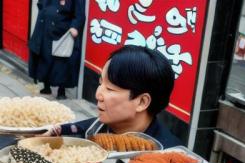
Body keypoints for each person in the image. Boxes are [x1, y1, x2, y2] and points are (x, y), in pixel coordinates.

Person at [51, 45, 181, 148]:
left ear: (142, 102)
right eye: (100, 82)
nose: (98, 95)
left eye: (110, 89)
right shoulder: (91, 130)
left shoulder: (167, 157)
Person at [29, 0, 86, 100]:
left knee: (61, 63)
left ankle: (61, 90)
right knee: (44, 57)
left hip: (62, 32)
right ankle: (46, 86)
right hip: (45, 28)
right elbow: (41, 4)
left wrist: (75, 26)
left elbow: (80, 15)